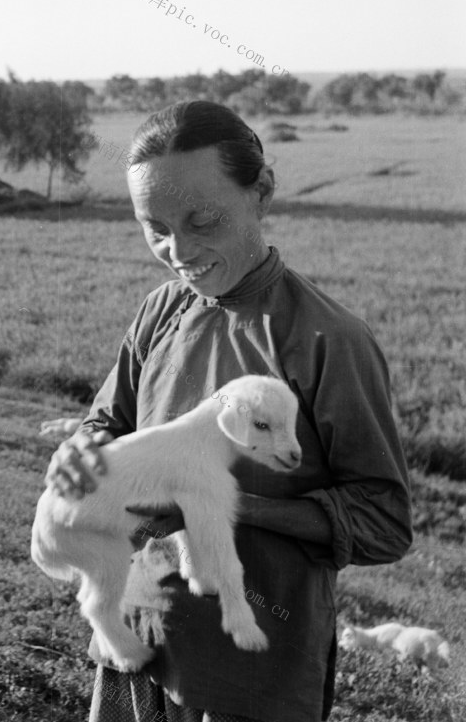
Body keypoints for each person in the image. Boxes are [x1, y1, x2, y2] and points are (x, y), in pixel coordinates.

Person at [46, 101, 412, 722]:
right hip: (137, 638)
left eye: (203, 220)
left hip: (250, 677)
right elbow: (107, 424)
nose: (178, 250)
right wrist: (79, 454)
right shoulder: (162, 311)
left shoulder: (327, 339)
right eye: (154, 228)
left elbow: (383, 521)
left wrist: (219, 505)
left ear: (261, 192)